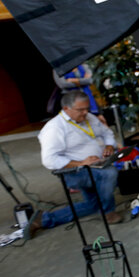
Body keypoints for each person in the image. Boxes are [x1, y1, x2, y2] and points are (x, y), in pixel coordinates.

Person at [25, 91, 122, 239]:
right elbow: (49, 160)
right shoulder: (54, 128)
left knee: (93, 205)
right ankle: (108, 211)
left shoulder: (89, 117)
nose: (86, 113)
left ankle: (43, 219)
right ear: (66, 109)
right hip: (74, 172)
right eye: (81, 110)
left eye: (87, 108)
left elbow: (107, 133)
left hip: (95, 165)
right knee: (110, 173)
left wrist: (109, 146)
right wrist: (81, 162)